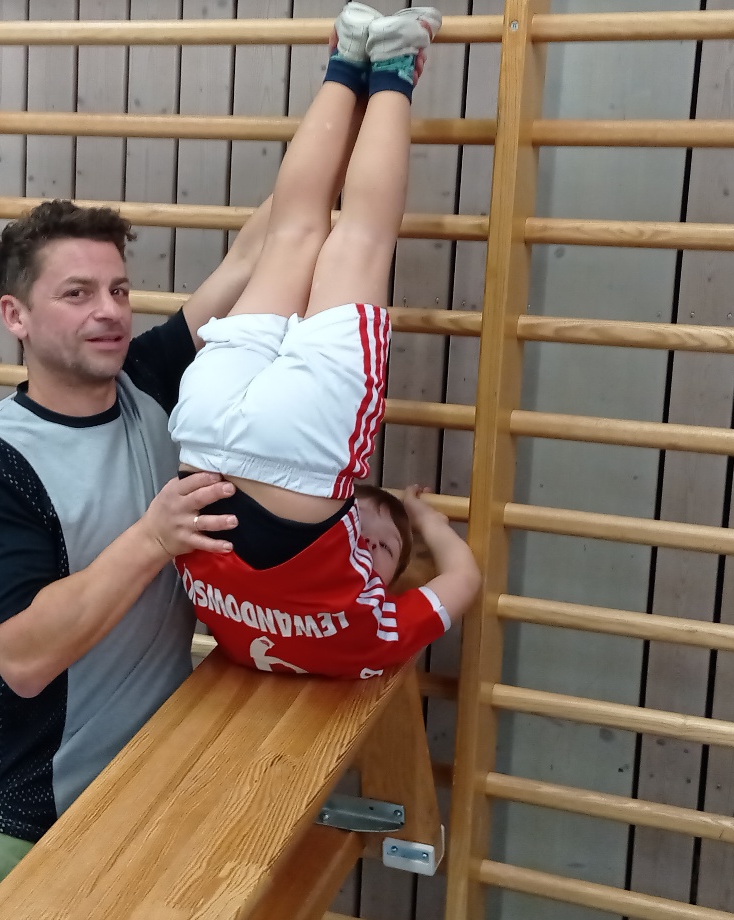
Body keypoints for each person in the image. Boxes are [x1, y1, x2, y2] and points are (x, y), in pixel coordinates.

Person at [0, 198, 265, 917]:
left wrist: (353, 122)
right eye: (77, 294)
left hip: (141, 796)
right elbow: (24, 657)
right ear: (15, 316)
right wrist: (152, 539)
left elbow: (253, 252)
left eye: (118, 289)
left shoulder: (148, 382)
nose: (109, 311)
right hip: (25, 821)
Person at [169, 1, 482, 679]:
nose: (370, 549)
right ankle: (345, 56)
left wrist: (425, 523)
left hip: (299, 459)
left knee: (359, 239)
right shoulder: (233, 640)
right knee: (292, 235)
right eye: (385, 548)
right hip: (201, 440)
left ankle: (392, 63)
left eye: (378, 549)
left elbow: (463, 580)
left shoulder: (372, 641)